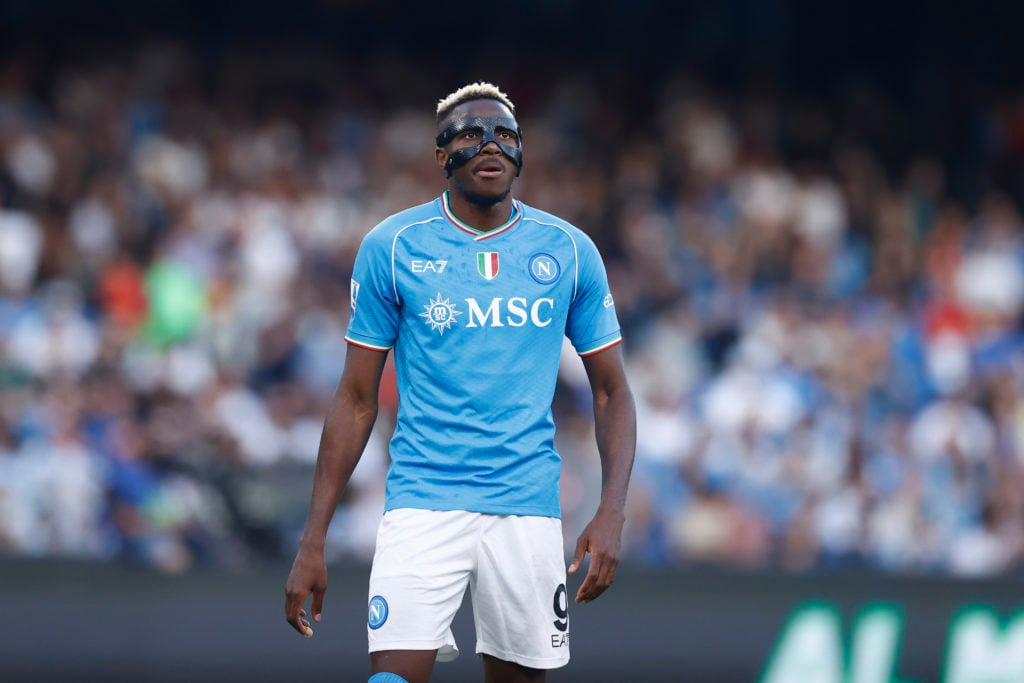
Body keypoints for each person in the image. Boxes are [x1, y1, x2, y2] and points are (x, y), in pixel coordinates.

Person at [284, 81, 637, 683]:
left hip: (526, 509)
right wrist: (312, 539)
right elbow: (354, 399)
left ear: (521, 153)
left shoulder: (568, 251)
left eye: (504, 134)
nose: (490, 144)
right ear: (441, 154)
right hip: (422, 501)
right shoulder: (392, 248)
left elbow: (611, 391)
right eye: (471, 134)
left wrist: (611, 512)